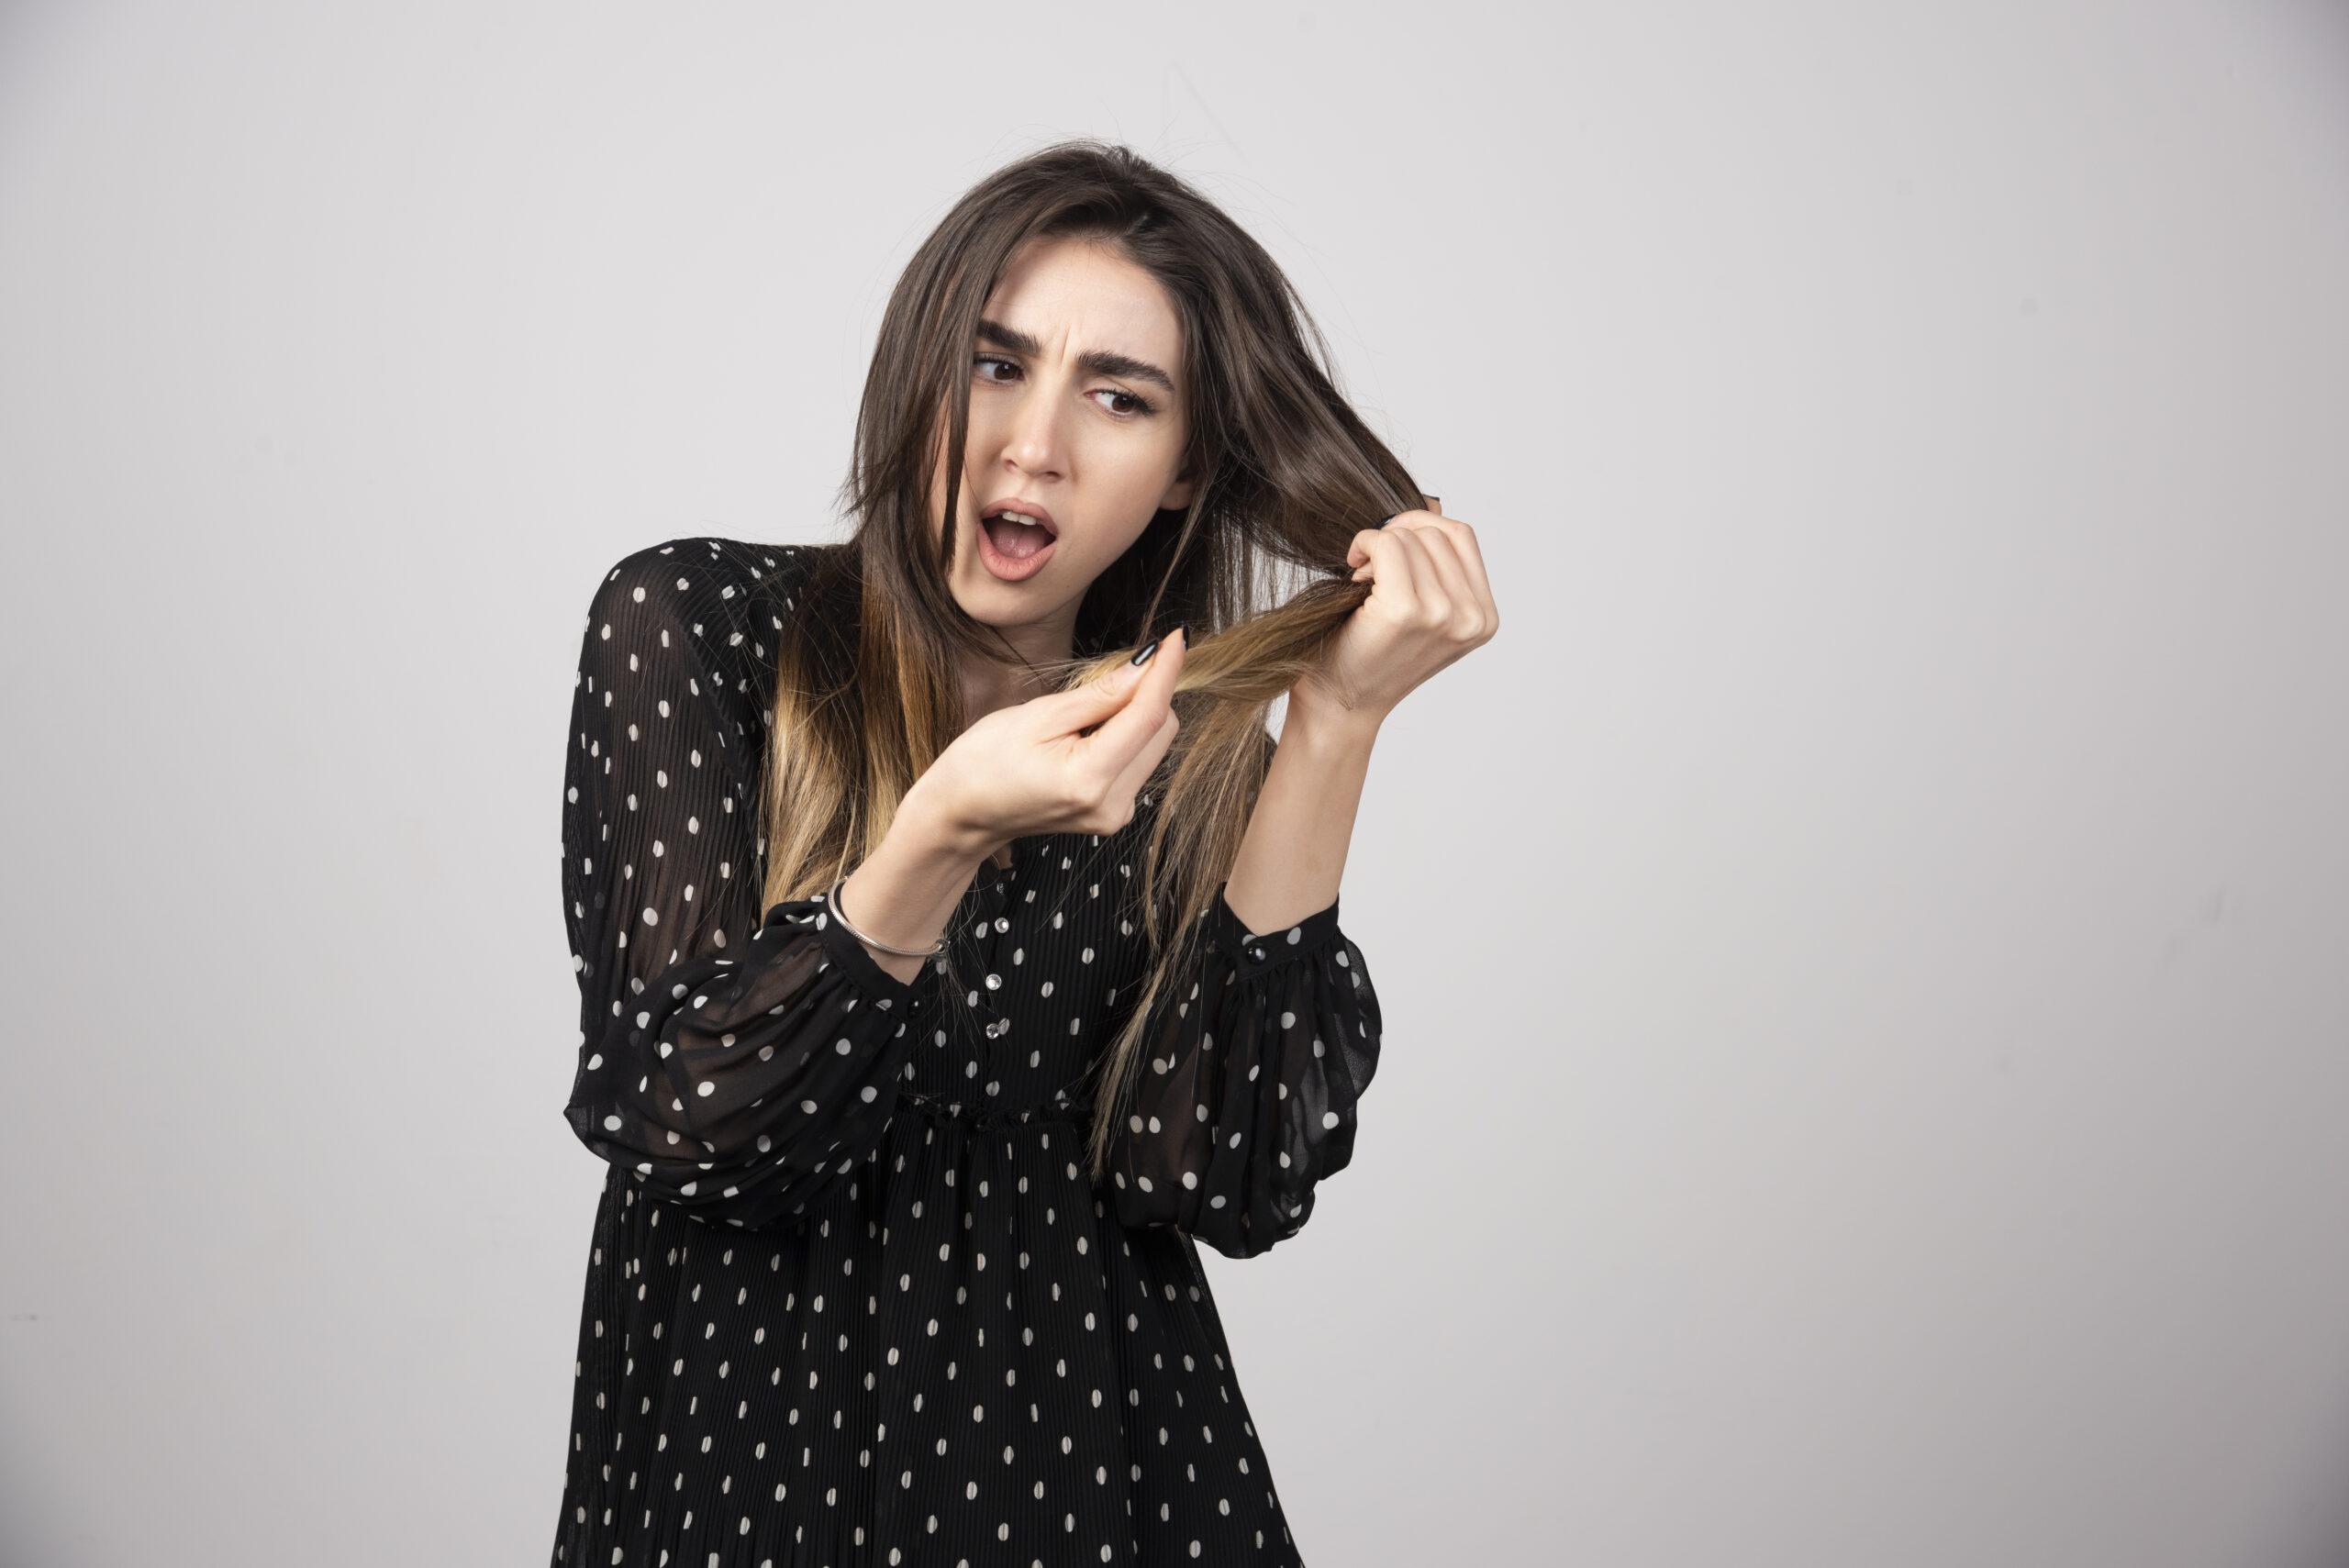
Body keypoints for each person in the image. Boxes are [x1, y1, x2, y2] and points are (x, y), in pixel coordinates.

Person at [551, 141, 1497, 1568]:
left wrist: (1338, 721)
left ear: (1188, 473)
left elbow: (1219, 1177)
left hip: (1102, 1486)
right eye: (995, 365)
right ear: (919, 375)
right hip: (743, 1484)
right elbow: (692, 1123)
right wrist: (939, 831)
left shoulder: (1171, 741)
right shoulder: (699, 628)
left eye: (1119, 396)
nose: (1033, 445)